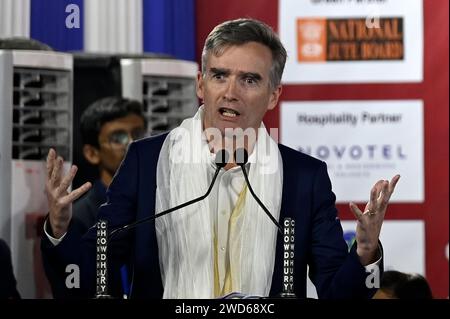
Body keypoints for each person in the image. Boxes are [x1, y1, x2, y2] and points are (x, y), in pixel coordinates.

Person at [41, 18, 400, 299]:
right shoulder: (146, 161)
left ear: (274, 95)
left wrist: (365, 253)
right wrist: (59, 231)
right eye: (219, 75)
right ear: (201, 84)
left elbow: (338, 292)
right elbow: (90, 275)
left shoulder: (304, 177)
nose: (230, 92)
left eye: (249, 80)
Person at [41, 97, 147, 298]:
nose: (133, 144)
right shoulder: (80, 217)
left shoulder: (161, 203)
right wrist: (58, 228)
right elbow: (73, 289)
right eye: (118, 138)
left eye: (138, 134)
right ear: (92, 153)